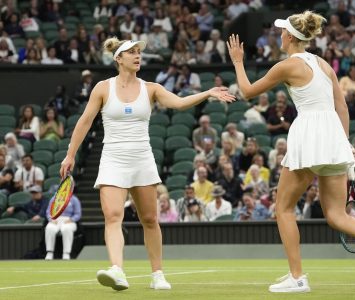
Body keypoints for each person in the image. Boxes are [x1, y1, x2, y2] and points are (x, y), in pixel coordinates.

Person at [226, 11, 355, 293]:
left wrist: (238, 62)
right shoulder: (324, 64)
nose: (279, 35)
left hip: (310, 135)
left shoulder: (287, 66)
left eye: (282, 31)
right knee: (337, 215)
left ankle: (298, 277)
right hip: (333, 135)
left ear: (289, 36)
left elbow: (248, 90)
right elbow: (342, 107)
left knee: (283, 208)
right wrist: (344, 140)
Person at [59, 37, 234, 291]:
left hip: (142, 156)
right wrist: (70, 154)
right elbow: (84, 122)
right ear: (118, 59)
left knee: (150, 219)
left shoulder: (151, 88)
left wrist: (207, 93)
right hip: (113, 157)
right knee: (113, 216)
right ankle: (117, 270)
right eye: (131, 52)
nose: (137, 56)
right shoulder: (102, 88)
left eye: (139, 52)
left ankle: (157, 274)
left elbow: (179, 103)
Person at [44, 194, 81, 260]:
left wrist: (71, 219)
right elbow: (48, 212)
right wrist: (51, 219)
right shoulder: (54, 199)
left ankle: (66, 253)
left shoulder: (74, 199)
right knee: (49, 228)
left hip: (69, 220)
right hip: (55, 220)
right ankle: (49, 253)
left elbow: (78, 214)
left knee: (66, 229)